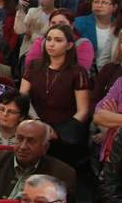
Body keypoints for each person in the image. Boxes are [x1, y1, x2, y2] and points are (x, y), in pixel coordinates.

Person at [20, 23, 91, 163]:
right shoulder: (34, 65)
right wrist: (38, 123)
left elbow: (83, 111)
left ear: (69, 45)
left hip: (63, 133)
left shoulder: (77, 72)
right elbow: (23, 96)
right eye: (49, 39)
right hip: (34, 123)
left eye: (58, 40)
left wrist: (58, 132)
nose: (51, 44)